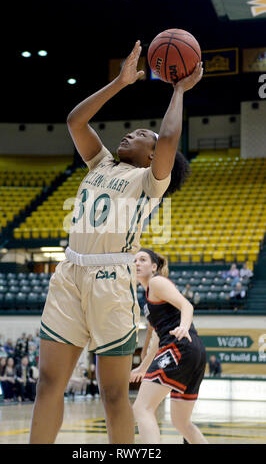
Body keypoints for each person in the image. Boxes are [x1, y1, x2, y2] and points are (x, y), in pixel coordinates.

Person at [29, 40, 203, 444]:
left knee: (112, 395)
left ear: (152, 156)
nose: (131, 133)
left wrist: (178, 90)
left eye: (143, 135)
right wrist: (119, 83)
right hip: (70, 273)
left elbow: (171, 137)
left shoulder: (149, 182)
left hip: (111, 281)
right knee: (48, 383)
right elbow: (75, 121)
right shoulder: (102, 161)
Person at [130, 248, 208, 444]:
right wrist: (142, 367)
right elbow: (157, 341)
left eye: (142, 259)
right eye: (134, 260)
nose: (137, 263)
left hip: (180, 345)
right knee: (181, 422)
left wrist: (183, 326)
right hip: (193, 351)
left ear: (154, 267)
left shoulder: (156, 282)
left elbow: (187, 305)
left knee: (142, 408)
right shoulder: (148, 296)